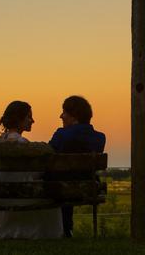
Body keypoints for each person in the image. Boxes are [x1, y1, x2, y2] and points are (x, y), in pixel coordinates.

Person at [0, 101, 63, 239]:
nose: (33, 120)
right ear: (19, 119)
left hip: (1, 199)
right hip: (23, 197)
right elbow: (34, 173)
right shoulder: (23, 145)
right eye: (29, 117)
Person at [48, 95, 106, 238]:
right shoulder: (100, 138)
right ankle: (67, 230)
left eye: (64, 112)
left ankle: (63, 230)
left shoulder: (61, 135)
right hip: (88, 186)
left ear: (74, 116)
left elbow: (48, 158)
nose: (61, 116)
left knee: (60, 179)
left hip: (59, 187)